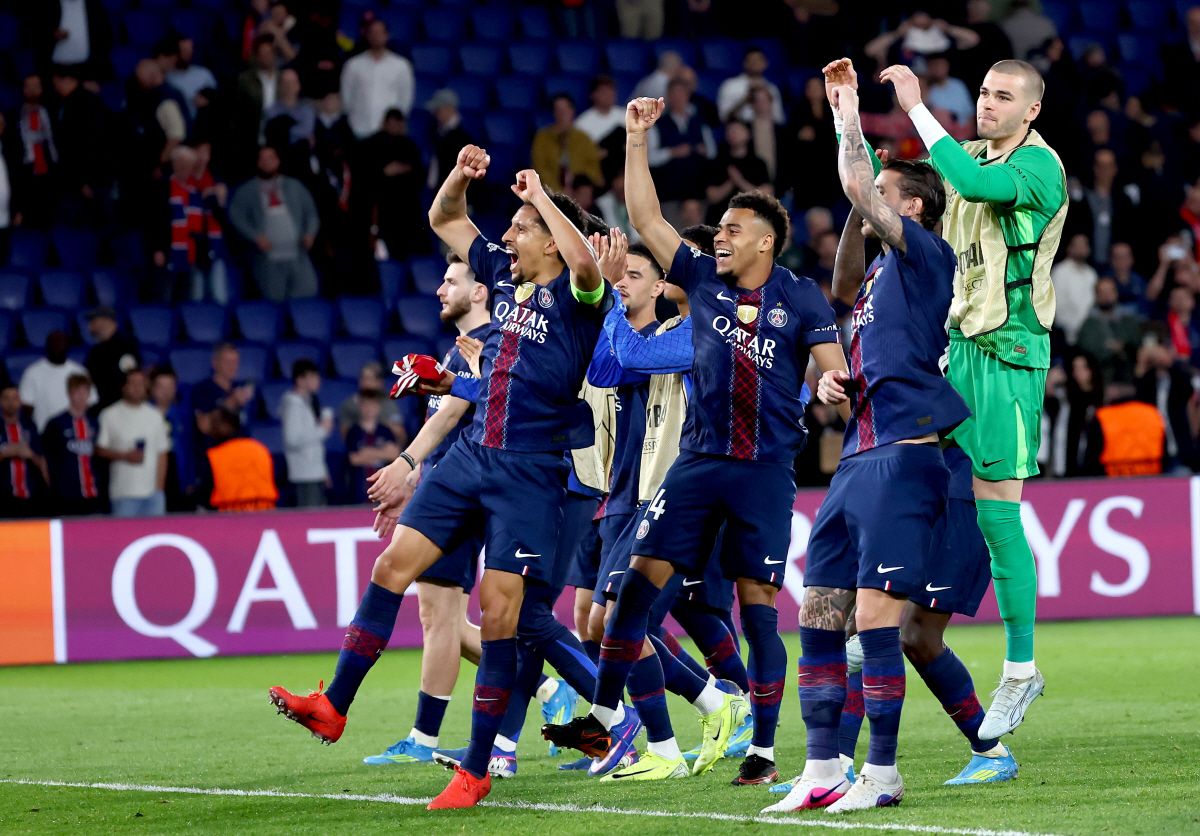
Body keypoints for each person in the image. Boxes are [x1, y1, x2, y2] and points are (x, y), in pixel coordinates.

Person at [269, 147, 609, 811]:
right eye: (509, 226)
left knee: (502, 616)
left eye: (520, 227)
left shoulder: (577, 300)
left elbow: (590, 265)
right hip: (471, 457)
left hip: (532, 472)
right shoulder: (501, 281)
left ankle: (477, 768)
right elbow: (444, 215)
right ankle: (334, 705)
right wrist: (460, 175)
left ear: (548, 235)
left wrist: (542, 197)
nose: (506, 236)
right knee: (393, 567)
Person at [543, 96, 850, 790]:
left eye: (735, 230)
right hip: (697, 464)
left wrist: (833, 388)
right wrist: (633, 140)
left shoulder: (800, 298)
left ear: (767, 240)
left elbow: (834, 371)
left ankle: (765, 750)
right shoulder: (703, 281)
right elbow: (646, 216)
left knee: (758, 614)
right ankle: (602, 714)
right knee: (629, 595)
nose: (721, 238)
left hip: (764, 471)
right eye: (720, 230)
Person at [766, 74, 973, 811]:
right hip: (857, 457)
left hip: (905, 457)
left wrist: (847, 115)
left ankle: (880, 774)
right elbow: (844, 279)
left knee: (878, 625)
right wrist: (862, 208)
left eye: (886, 194)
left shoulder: (926, 256)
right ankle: (822, 768)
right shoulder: (883, 270)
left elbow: (860, 186)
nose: (870, 200)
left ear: (910, 208)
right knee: (819, 616)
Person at [863, 55, 1068, 737]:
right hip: (960, 350)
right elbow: (908, 195)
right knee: (911, 472)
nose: (988, 104)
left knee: (999, 511)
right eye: (983, 93)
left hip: (1009, 351)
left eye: (1003, 96)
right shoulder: (970, 152)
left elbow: (970, 181)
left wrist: (917, 104)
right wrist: (848, 123)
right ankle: (883, 615)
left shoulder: (1039, 167)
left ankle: (1020, 671)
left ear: (1031, 110)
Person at [360, 250, 491, 766]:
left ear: (480, 291)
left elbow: (463, 437)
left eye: (452, 279)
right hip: (442, 494)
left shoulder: (487, 350)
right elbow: (445, 440)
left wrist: (408, 471)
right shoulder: (459, 354)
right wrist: (413, 488)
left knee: (439, 617)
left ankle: (424, 738)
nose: (440, 288)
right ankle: (550, 691)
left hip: (463, 502)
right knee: (443, 618)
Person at [228, 145, 320, 301]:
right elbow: (236, 216)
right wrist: (255, 236)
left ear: (278, 161)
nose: (267, 163)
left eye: (270, 158)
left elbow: (311, 213)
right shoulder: (247, 190)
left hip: (297, 254)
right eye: (262, 159)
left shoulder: (295, 186)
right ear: (257, 163)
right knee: (274, 301)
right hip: (268, 259)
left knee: (306, 296)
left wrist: (310, 234)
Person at [96, 369, 170, 518]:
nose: (137, 388)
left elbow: (162, 453)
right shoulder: (110, 414)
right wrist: (124, 456)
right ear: (124, 387)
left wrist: (159, 489)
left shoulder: (155, 415)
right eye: (133, 384)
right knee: (123, 539)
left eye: (141, 384)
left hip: (152, 495)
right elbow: (100, 449)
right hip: (123, 493)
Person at [356, 108, 427, 261]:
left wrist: (401, 170)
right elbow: (363, 178)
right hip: (382, 212)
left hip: (407, 211)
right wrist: (384, 172)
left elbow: (420, 175)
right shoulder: (370, 145)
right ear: (384, 124)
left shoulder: (409, 145)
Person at [340, 19, 415, 140]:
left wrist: (394, 125)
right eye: (373, 33)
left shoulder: (401, 65)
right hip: (358, 130)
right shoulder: (353, 65)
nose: (376, 37)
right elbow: (346, 97)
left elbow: (405, 99)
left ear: (387, 35)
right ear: (367, 35)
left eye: (379, 33)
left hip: (389, 133)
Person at [41, 373, 101, 516]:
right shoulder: (56, 424)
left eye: (85, 391)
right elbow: (44, 457)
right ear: (69, 394)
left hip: (93, 494)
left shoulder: (95, 423)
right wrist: (52, 487)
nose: (81, 396)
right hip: (66, 496)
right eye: (77, 391)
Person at [199, 407, 278, 511]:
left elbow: (206, 490)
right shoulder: (260, 448)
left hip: (230, 516)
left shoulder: (214, 455)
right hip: (266, 513)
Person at [19, 330, 96, 433]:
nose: (57, 346)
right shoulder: (32, 372)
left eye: (61, 343)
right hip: (42, 432)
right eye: (54, 343)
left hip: (75, 433)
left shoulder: (80, 371)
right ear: (47, 345)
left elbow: (90, 401)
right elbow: (27, 406)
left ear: (68, 345)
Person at [280, 358, 332, 508]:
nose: (318, 381)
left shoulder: (308, 402)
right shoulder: (293, 405)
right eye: (312, 377)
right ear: (300, 380)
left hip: (313, 473)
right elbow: (293, 439)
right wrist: (322, 429)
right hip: (304, 475)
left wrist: (323, 470)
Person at [1076, 277, 1145, 384]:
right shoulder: (1088, 324)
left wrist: (1123, 346)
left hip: (1129, 373)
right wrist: (1112, 349)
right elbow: (1088, 349)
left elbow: (1137, 343)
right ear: (1096, 296)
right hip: (1101, 376)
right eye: (1101, 292)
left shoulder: (1129, 321)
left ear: (1116, 293)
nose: (1106, 296)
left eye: (1109, 291)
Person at [531, 93, 604, 194]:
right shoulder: (542, 138)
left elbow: (593, 167)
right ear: (554, 113)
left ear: (572, 111)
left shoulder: (583, 138)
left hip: (579, 191)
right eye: (558, 110)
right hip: (551, 192)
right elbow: (540, 169)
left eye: (565, 109)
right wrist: (558, 191)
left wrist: (579, 184)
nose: (562, 113)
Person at [704, 120, 772, 226]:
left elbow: (765, 196)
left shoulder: (758, 163)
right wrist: (730, 182)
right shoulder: (717, 163)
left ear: (748, 134)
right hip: (721, 221)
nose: (733, 134)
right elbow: (712, 196)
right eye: (730, 131)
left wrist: (739, 181)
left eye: (737, 130)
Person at [0, 383, 48, 518]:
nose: (11, 402)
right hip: (4, 498)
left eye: (15, 398)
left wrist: (30, 455)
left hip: (30, 497)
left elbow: (42, 461)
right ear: (1, 401)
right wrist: (4, 453)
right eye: (6, 398)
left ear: (20, 401)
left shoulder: (30, 426)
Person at [345, 390, 399, 504]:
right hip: (360, 487)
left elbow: (394, 454)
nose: (369, 408)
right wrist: (382, 453)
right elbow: (355, 459)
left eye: (372, 404)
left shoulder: (385, 431)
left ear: (378, 407)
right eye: (365, 404)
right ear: (360, 407)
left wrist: (367, 452)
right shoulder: (353, 431)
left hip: (383, 487)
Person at [84, 306, 140, 411]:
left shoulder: (126, 348)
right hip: (100, 409)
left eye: (94, 322)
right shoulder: (95, 353)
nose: (90, 328)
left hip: (122, 410)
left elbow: (131, 381)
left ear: (106, 321)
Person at [337, 363, 405, 444]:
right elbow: (345, 435)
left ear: (379, 382)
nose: (364, 383)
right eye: (363, 378)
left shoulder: (388, 404)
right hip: (360, 448)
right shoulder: (350, 404)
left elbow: (400, 435)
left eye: (369, 379)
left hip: (386, 449)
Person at [716, 48, 785, 124]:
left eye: (758, 60)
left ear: (765, 63)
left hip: (767, 126)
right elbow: (723, 117)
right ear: (745, 63)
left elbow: (779, 119)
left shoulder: (772, 88)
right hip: (740, 126)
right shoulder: (731, 85)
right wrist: (745, 100)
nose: (755, 63)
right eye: (752, 61)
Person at [1051, 233, 1098, 345]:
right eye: (1078, 245)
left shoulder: (1091, 274)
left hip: (1091, 333)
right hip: (1068, 334)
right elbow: (1057, 306)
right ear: (1069, 248)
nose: (1082, 248)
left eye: (1085, 245)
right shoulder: (1059, 272)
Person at [425, 89, 472, 190]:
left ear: (450, 109)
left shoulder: (462, 137)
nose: (435, 113)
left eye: (438, 109)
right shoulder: (437, 131)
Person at [166, 36, 218, 121]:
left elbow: (216, 102)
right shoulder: (168, 77)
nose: (188, 54)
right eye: (184, 50)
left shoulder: (204, 74)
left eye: (190, 49)